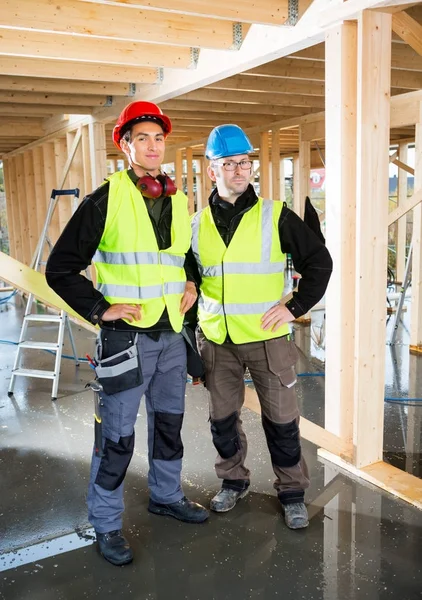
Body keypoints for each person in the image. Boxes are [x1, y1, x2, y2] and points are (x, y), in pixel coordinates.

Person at [46, 101, 209, 566]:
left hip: (172, 337)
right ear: (125, 145)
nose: (153, 146)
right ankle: (106, 524)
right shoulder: (105, 199)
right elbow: (60, 268)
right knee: (116, 438)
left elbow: (181, 258)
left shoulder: (178, 199)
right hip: (126, 340)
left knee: (168, 426)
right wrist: (101, 309)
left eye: (159, 138)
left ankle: (166, 495)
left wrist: (193, 282)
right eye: (142, 138)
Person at [190, 124, 333, 529]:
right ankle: (233, 481)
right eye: (230, 163)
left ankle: (291, 492)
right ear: (211, 169)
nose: (239, 170)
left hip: (268, 340)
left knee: (282, 421)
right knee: (222, 421)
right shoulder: (196, 225)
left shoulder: (275, 215)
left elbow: (319, 263)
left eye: (245, 163)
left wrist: (296, 307)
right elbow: (188, 284)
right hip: (217, 341)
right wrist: (189, 340)